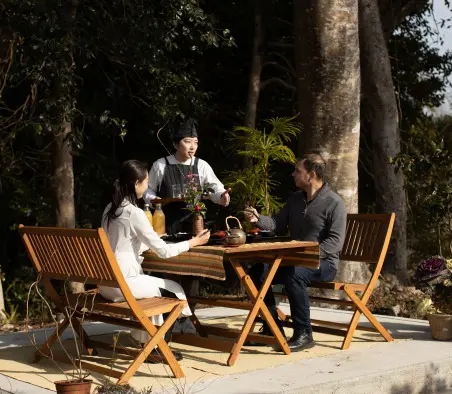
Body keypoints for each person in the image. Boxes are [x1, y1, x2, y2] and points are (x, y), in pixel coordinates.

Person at [101, 159, 211, 359]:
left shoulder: (110, 208)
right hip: (123, 284)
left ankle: (151, 343)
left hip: (106, 284)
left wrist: (151, 241)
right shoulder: (133, 212)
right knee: (173, 290)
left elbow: (122, 243)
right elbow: (164, 252)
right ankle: (160, 348)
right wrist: (193, 242)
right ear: (136, 183)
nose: (147, 185)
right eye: (146, 181)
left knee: (156, 289)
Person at [243, 150, 346, 351]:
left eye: (297, 171)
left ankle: (304, 333)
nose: (293, 174)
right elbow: (276, 224)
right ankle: (272, 327)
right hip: (295, 261)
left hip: (324, 264)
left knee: (293, 275)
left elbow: (335, 242)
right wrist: (258, 219)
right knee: (257, 272)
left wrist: (307, 253)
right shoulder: (295, 199)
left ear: (312, 174)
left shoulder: (334, 203)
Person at [144, 117, 230, 235]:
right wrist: (156, 200)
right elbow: (148, 189)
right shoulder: (161, 164)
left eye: (195, 142)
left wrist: (222, 196)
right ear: (176, 144)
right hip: (167, 225)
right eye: (188, 141)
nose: (192, 147)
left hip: (196, 224)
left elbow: (215, 189)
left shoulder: (201, 165)